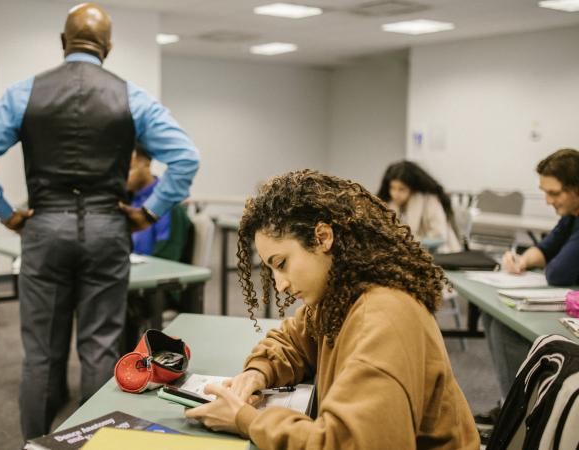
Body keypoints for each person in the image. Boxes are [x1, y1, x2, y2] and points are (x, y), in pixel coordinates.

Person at [0, 3, 199, 440]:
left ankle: (33, 444)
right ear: (107, 48)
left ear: (62, 42)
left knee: (40, 357)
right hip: (108, 231)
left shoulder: (23, 93)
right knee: (100, 350)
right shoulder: (132, 96)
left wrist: (6, 212)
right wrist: (148, 212)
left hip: (45, 229)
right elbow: (186, 157)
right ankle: (94, 445)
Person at [185, 170, 479, 450]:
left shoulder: (383, 319)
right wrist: (257, 373)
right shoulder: (341, 294)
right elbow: (294, 339)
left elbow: (349, 445)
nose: (281, 285)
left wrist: (247, 420)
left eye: (282, 263)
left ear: (323, 237)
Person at [481, 148, 579, 416]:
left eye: (554, 193)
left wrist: (546, 261)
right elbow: (545, 249)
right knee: (491, 318)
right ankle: (509, 404)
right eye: (544, 191)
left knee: (504, 328)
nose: (547, 200)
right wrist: (523, 262)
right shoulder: (571, 216)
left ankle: (521, 414)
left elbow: (558, 272)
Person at [378, 160, 462, 253]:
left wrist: (410, 243)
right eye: (392, 188)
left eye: (401, 189)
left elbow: (439, 236)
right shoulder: (391, 204)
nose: (395, 194)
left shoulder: (430, 201)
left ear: (412, 189)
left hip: (440, 254)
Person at [127, 144, 193, 261]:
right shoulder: (126, 199)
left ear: (147, 163)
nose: (123, 178)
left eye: (129, 169)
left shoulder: (168, 204)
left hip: (152, 275)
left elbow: (166, 259)